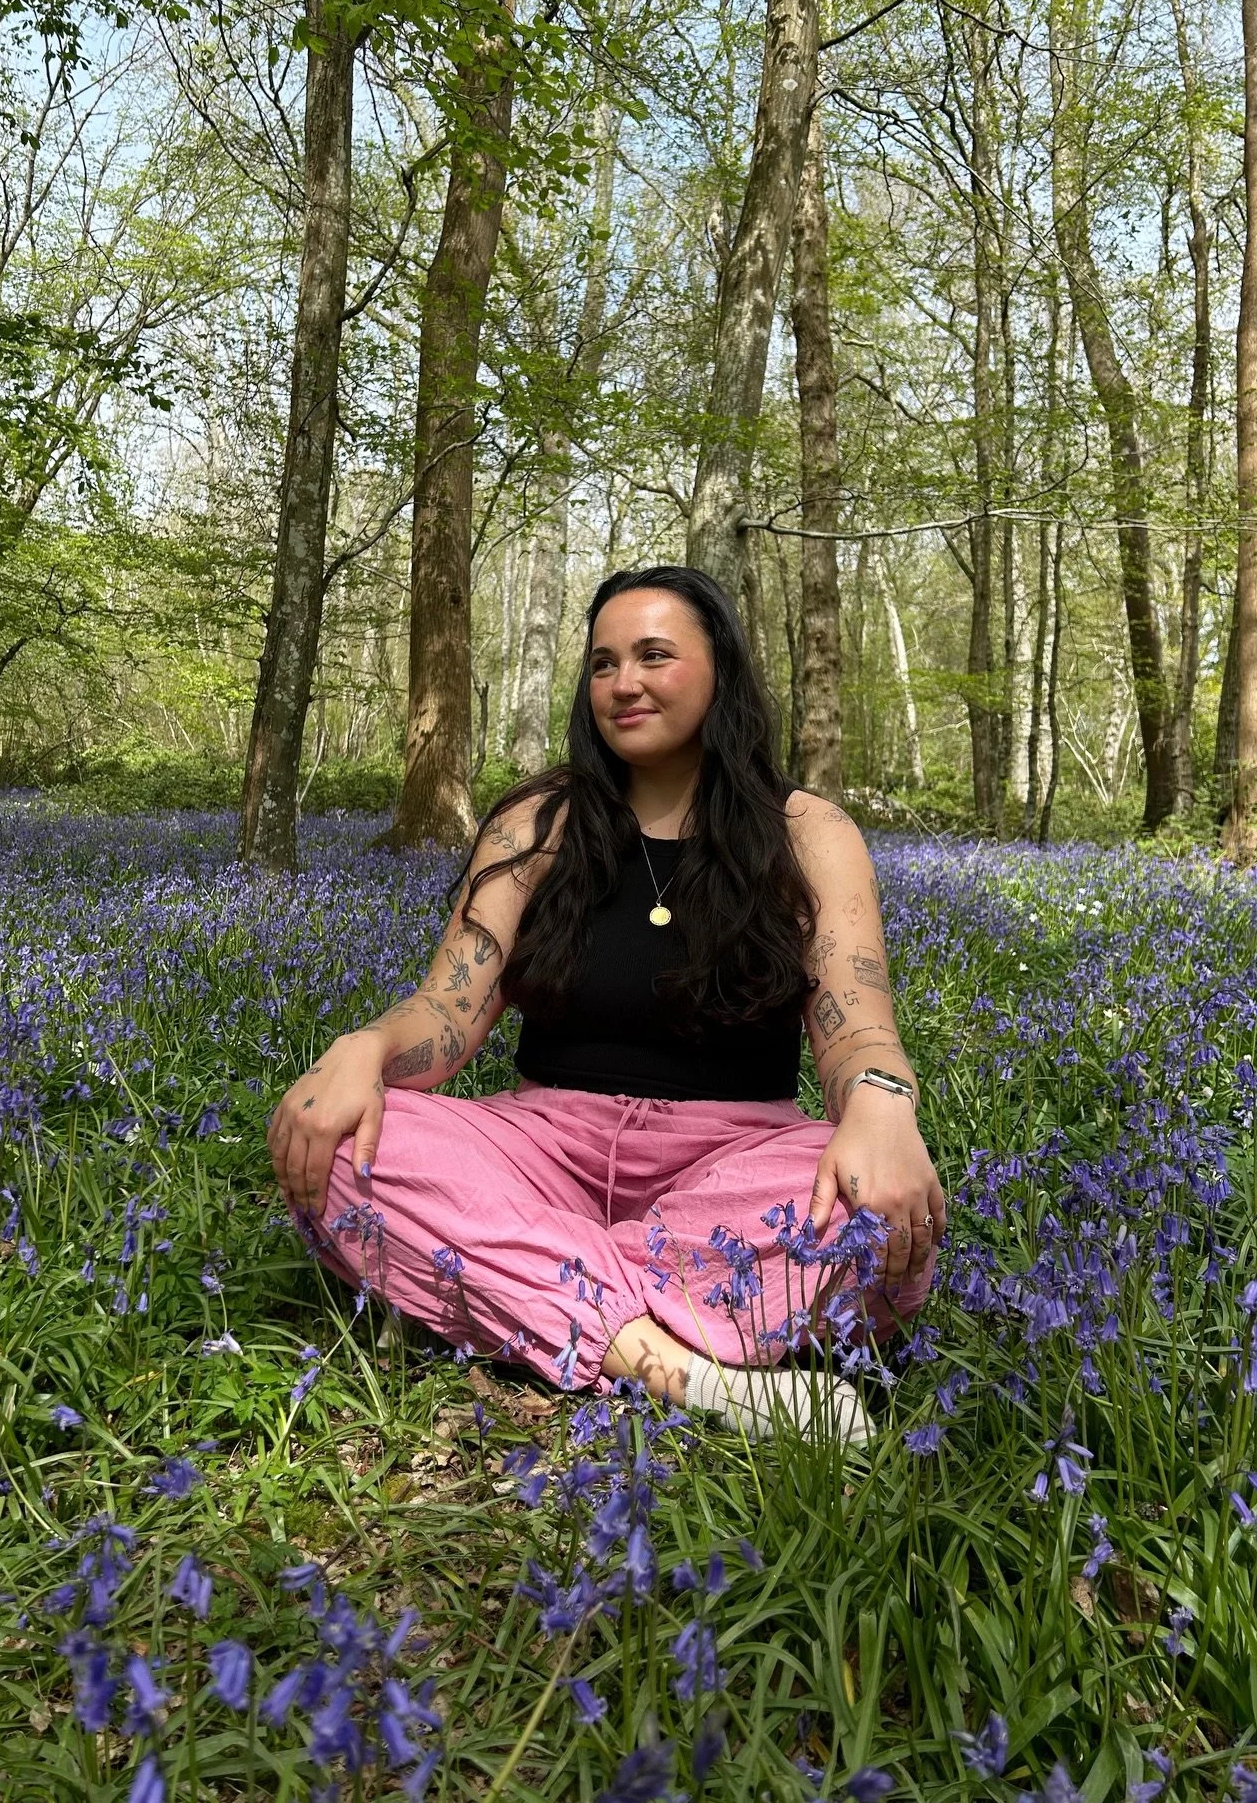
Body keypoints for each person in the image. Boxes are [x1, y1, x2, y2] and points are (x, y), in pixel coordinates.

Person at [267, 566, 945, 1442]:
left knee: (871, 1214)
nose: (623, 683)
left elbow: (858, 1026)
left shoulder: (807, 832)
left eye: (654, 656)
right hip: (543, 1144)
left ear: (720, 672)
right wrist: (363, 1047)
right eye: (602, 663)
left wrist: (884, 1110)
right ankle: (685, 1370)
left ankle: (526, 1277)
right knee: (358, 1147)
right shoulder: (538, 823)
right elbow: (448, 1012)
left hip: (733, 1158)